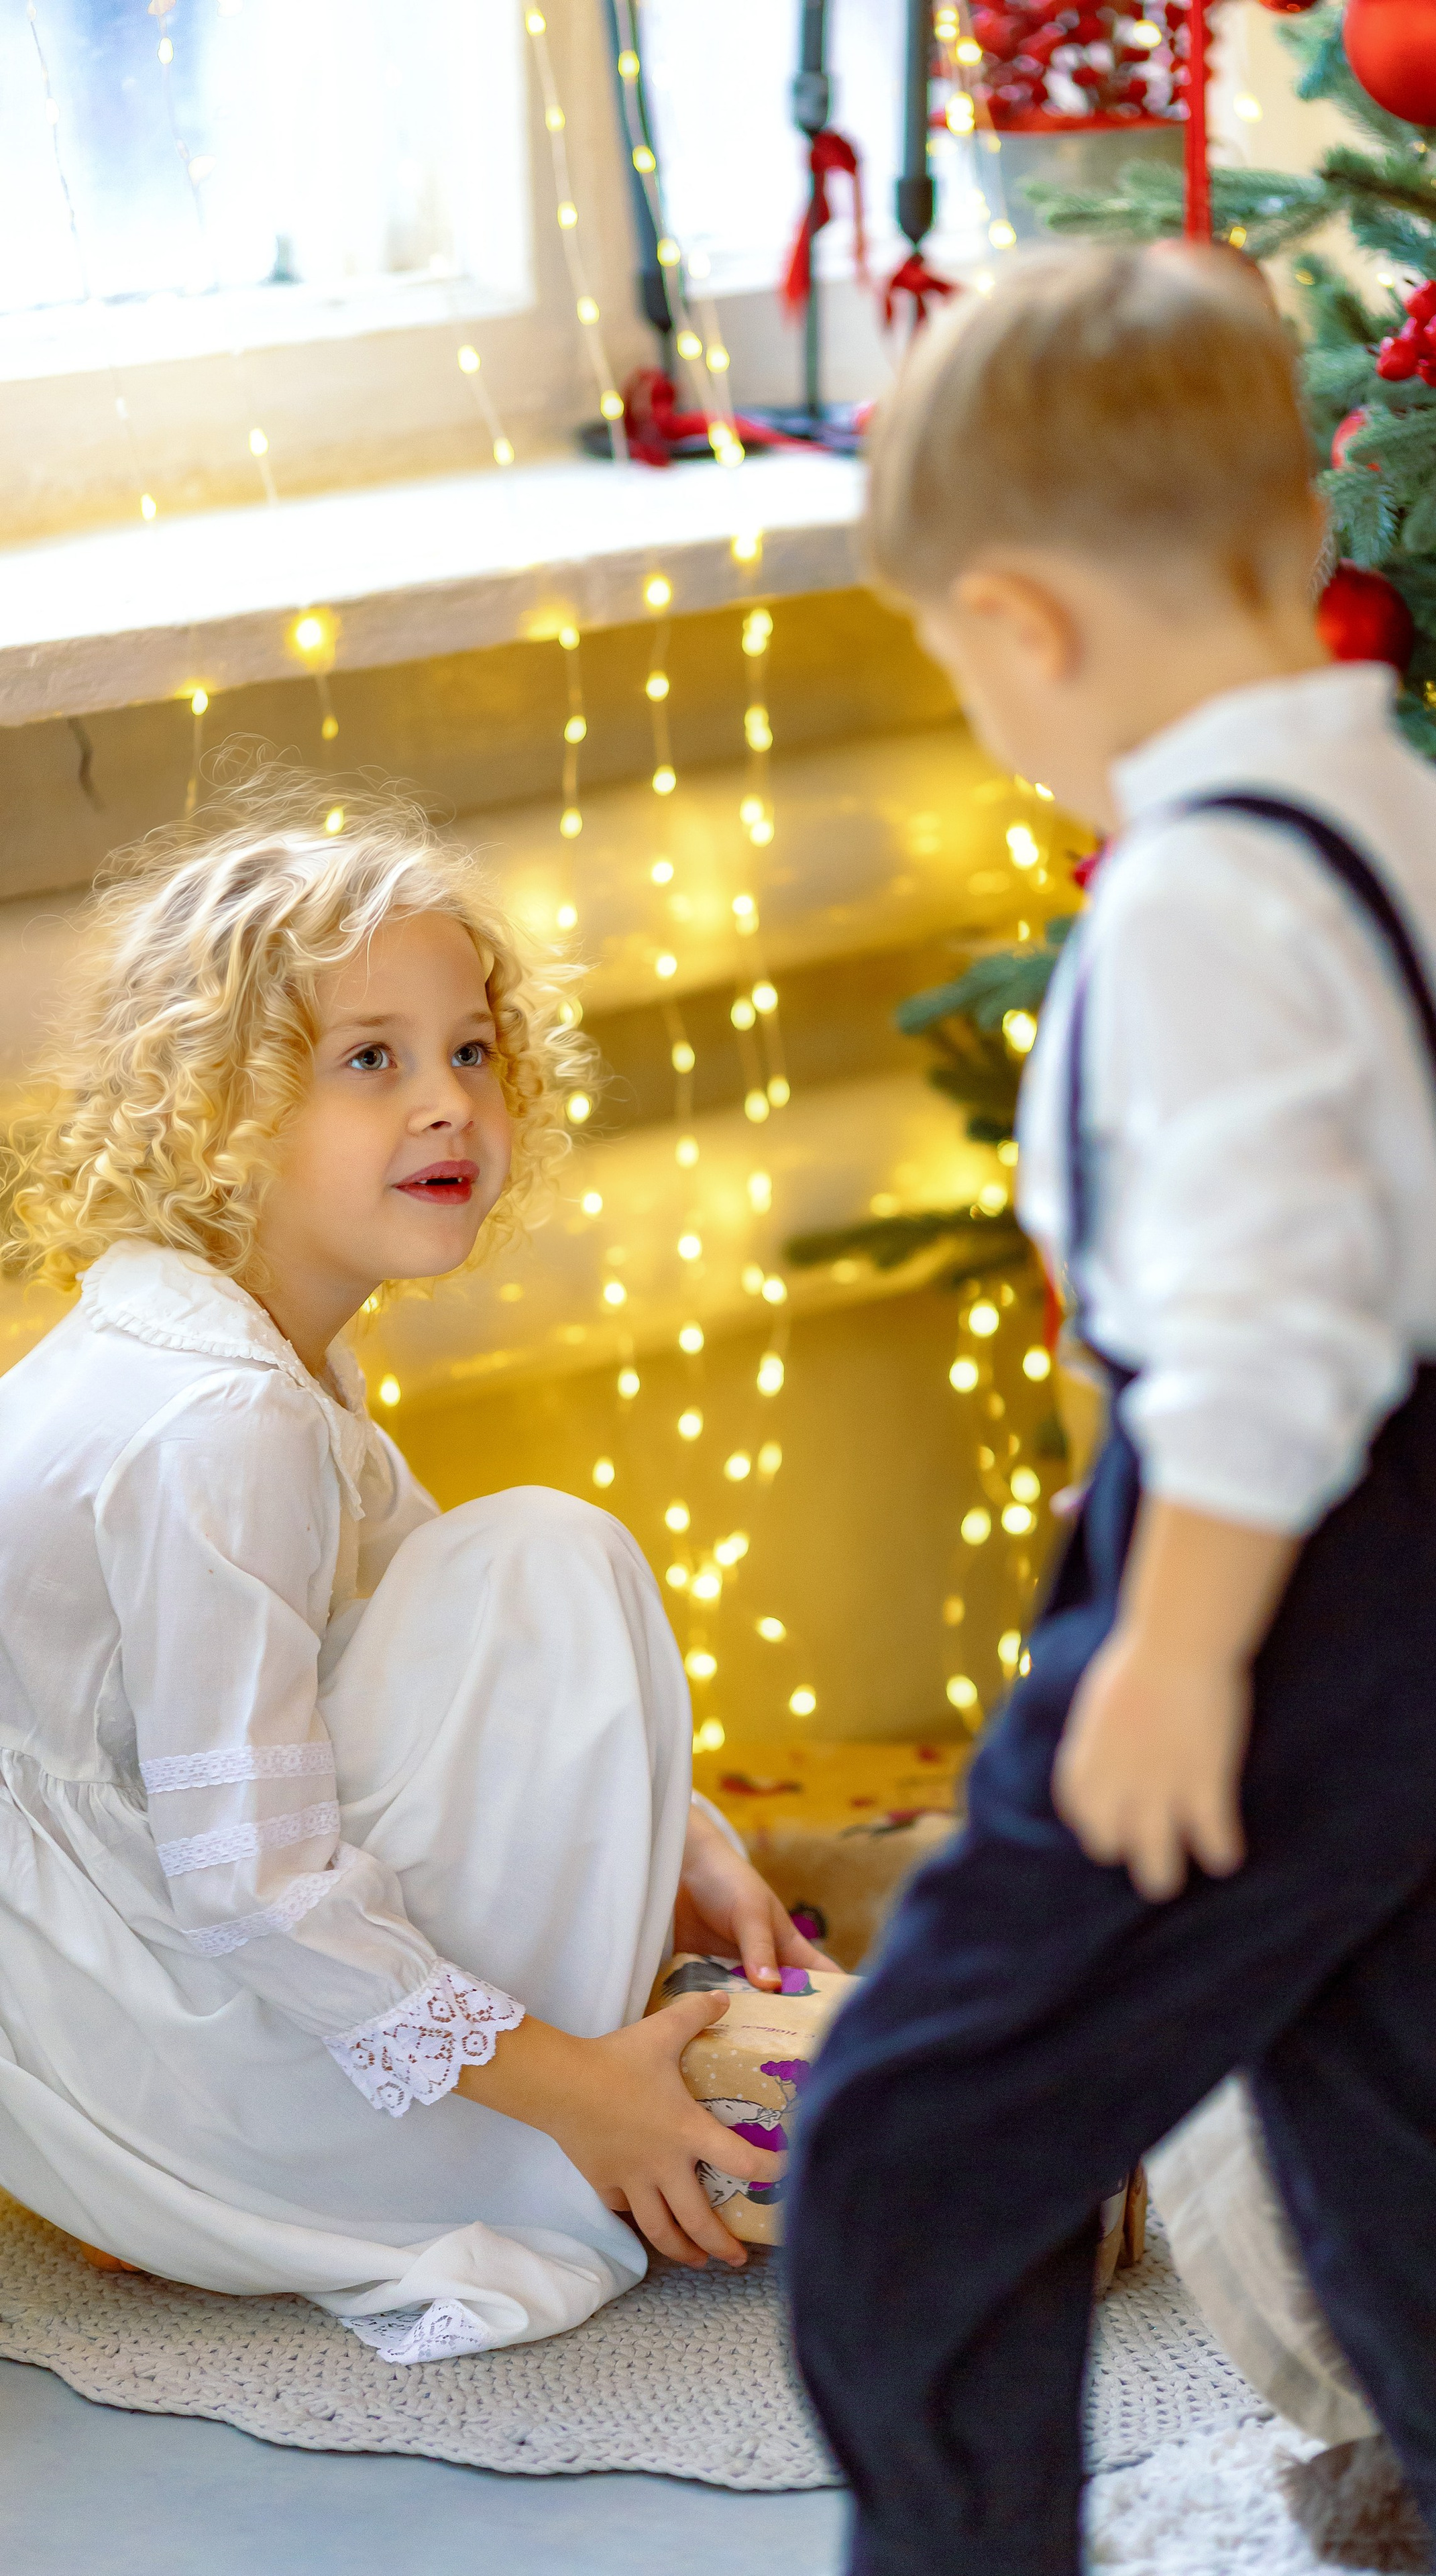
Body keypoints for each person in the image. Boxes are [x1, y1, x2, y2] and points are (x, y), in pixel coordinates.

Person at [785, 244, 1436, 2574]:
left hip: (1280, 1599)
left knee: (911, 2140)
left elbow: (1266, 1334)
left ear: (1033, 625)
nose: (988, 714)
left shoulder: (1190, 899)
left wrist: (1176, 1648)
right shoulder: (1417, 818)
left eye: (963, 663)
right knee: (1404, 2158)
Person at [0, 771, 828, 2361]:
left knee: (502, 1565)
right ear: (214, 1115)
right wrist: (570, 2086)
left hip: (127, 1974)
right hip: (150, 2052)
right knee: (549, 1558)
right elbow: (251, 1884)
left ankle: (555, 2039)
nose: (447, 1101)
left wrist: (687, 1834)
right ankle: (553, 2098)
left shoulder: (240, 1342)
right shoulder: (215, 1419)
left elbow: (398, 1620)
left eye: (468, 1052)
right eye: (367, 1063)